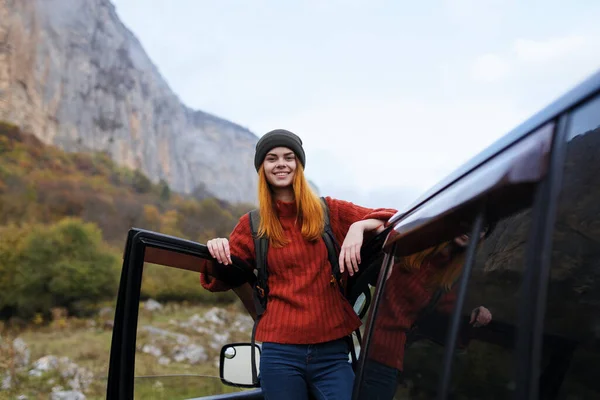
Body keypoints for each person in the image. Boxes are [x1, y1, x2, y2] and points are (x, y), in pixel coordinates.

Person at [198, 129, 397, 400]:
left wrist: (359, 227)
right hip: (280, 354)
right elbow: (221, 279)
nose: (281, 163)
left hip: (333, 352)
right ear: (262, 168)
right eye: (272, 158)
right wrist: (217, 250)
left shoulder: (330, 211)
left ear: (299, 165)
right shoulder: (252, 225)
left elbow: (394, 220)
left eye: (288, 157)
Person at [360, 228, 493, 400]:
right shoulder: (410, 245)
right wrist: (358, 229)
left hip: (389, 362)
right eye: (471, 221)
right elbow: (387, 226)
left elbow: (451, 322)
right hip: (363, 351)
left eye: (483, 229)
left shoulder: (451, 276)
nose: (471, 231)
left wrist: (475, 313)